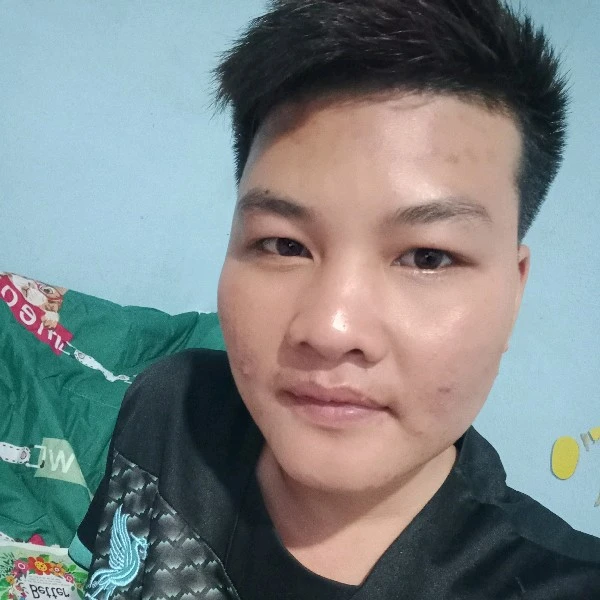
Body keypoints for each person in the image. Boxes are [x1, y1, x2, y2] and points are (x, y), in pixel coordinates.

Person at [70, 0, 600, 597]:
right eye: (284, 245)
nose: (330, 329)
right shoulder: (172, 411)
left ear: (514, 290)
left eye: (427, 257)